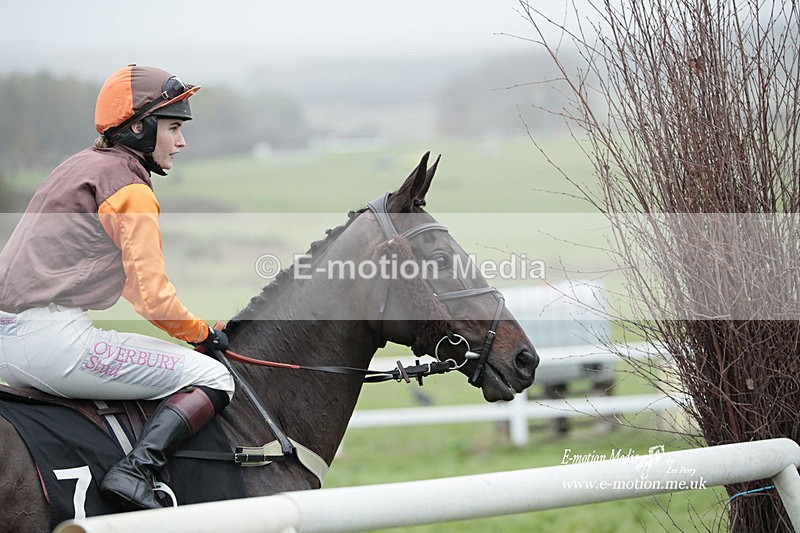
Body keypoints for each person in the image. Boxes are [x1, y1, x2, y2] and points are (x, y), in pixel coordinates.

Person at [0, 65, 235, 510]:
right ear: (140, 127)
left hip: (9, 343)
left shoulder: (79, 166)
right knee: (214, 376)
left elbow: (128, 282)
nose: (181, 142)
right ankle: (135, 471)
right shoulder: (130, 188)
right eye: (173, 128)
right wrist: (201, 335)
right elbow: (152, 296)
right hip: (55, 344)